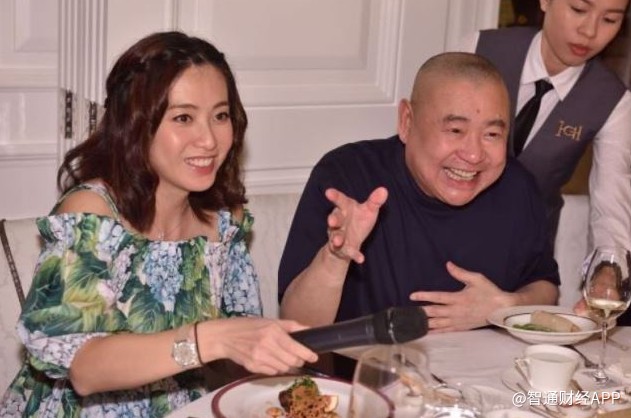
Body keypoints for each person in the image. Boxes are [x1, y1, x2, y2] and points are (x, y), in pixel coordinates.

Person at [0, 31, 316, 417]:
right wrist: (209, 340)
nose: (209, 139)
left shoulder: (223, 223)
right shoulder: (92, 213)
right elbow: (84, 368)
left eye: (220, 115)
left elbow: (239, 353)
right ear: (136, 125)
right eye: (183, 118)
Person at [278, 52, 560, 333]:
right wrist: (335, 259)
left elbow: (545, 286)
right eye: (455, 130)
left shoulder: (517, 187)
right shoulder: (349, 177)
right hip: (364, 362)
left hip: (486, 363)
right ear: (407, 121)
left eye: (492, 135)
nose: (474, 155)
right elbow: (298, 327)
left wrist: (505, 307)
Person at [458, 0, 631, 252]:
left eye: (609, 20)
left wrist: (608, 265)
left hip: (527, 253)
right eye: (579, 10)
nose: (589, 31)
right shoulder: (477, 49)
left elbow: (611, 209)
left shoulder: (613, 100)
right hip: (443, 231)